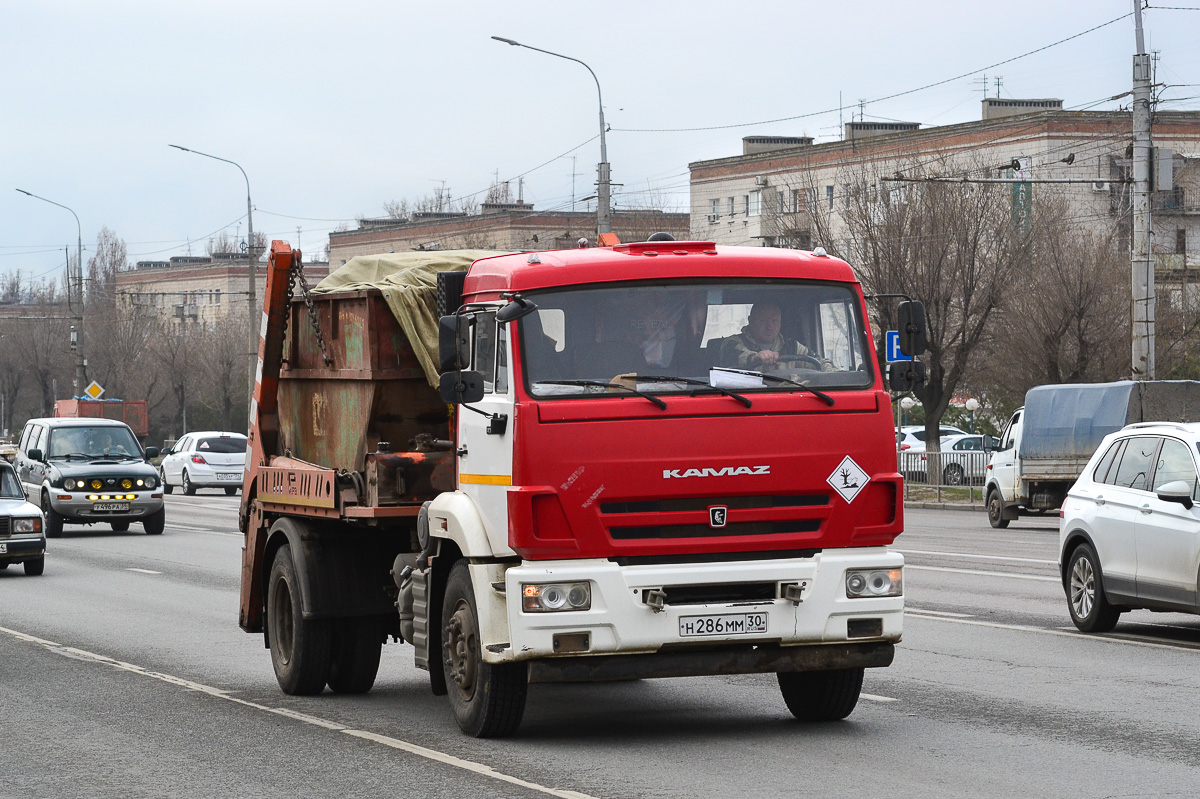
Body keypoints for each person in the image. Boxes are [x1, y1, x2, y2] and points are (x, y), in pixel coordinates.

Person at [719, 302, 833, 372]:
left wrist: (837, 375)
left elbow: (818, 362)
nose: (769, 327)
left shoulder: (792, 347)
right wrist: (755, 358)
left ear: (780, 322)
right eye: (763, 321)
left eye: (774, 321)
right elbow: (738, 357)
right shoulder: (733, 343)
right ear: (750, 321)